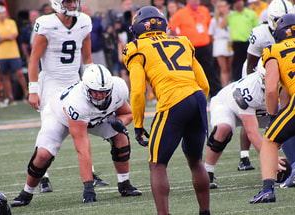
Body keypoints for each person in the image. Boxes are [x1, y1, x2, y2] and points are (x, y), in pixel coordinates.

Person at [11, 64, 141, 206]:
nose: (100, 96)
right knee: (43, 155)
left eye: (104, 92)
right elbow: (82, 149)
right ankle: (26, 193)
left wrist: (120, 123)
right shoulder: (77, 102)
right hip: (59, 116)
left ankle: (125, 184)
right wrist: (88, 188)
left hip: (92, 118)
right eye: (95, 92)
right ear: (86, 89)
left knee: (120, 136)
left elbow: (127, 113)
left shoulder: (118, 87)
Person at [123, 6, 210, 215]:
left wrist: (137, 124)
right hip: (197, 97)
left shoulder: (136, 47)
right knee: (196, 161)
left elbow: (136, 92)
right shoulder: (183, 41)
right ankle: (204, 212)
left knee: (157, 164)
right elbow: (205, 84)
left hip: (172, 100)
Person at [24, 0, 107, 193]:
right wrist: (33, 89)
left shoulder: (84, 21)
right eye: (68, 1)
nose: (72, 5)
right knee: (48, 129)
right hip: (51, 84)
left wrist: (89, 82)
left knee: (81, 126)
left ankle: (91, 174)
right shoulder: (46, 23)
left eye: (74, 1)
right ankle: (43, 177)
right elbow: (34, 59)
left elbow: (87, 57)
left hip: (74, 82)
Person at [250, 13, 295, 204]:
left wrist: (272, 117)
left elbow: (270, 90)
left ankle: (267, 189)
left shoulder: (273, 50)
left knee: (269, 140)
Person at [205, 61, 267, 189]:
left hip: (262, 112)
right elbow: (251, 131)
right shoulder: (249, 89)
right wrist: (271, 160)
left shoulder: (286, 83)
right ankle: (207, 172)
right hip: (228, 105)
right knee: (223, 129)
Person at [168, 0, 221, 97]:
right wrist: (178, 39)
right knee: (192, 71)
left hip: (204, 46)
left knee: (209, 70)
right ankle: (194, 93)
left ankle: (214, 92)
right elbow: (171, 28)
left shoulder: (204, 10)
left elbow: (208, 24)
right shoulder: (180, 13)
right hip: (190, 47)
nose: (196, 2)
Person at [0, 5, 29, 106]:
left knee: (19, 74)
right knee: (5, 77)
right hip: (1, 55)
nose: (1, 15)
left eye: (3, 13)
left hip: (13, 53)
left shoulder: (11, 22)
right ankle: (10, 97)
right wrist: (6, 38)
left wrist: (2, 38)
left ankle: (26, 93)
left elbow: (14, 35)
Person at [223, 0, 259, 81]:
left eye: (239, 1)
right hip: (237, 44)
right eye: (235, 2)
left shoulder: (250, 13)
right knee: (237, 65)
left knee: (250, 63)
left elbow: (256, 27)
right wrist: (226, 13)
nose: (238, 3)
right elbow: (223, 25)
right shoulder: (231, 15)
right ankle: (237, 81)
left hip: (248, 42)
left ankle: (251, 80)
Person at [209, 0, 233, 87]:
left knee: (229, 66)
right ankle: (225, 85)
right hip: (219, 42)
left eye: (224, 6)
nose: (223, 9)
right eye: (221, 7)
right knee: (223, 67)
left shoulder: (231, 17)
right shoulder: (214, 20)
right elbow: (211, 35)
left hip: (229, 41)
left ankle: (229, 82)